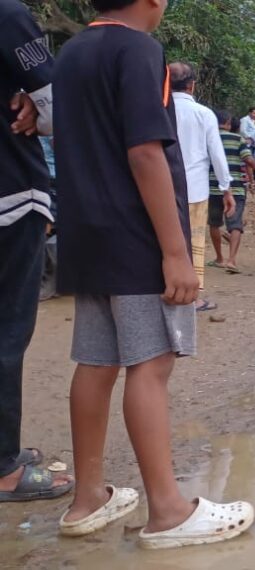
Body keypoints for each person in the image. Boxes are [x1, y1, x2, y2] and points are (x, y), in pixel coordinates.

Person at [54, 0, 254, 546]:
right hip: (134, 233)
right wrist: (175, 252)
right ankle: (168, 510)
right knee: (152, 361)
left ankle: (87, 498)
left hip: (86, 231)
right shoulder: (139, 50)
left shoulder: (71, 52)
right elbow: (144, 153)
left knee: (96, 360)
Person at [0, 0, 75, 504]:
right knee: (7, 329)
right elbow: (55, 107)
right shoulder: (7, 15)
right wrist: (38, 105)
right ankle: (4, 468)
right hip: (9, 194)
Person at [170, 62, 232, 312]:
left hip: (161, 188)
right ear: (192, 85)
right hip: (195, 189)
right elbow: (216, 154)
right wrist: (226, 188)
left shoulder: (156, 109)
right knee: (193, 241)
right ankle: (193, 297)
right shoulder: (204, 114)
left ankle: (166, 289)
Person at [209, 112, 255, 274]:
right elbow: (248, 159)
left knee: (214, 223)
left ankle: (219, 258)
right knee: (235, 224)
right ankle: (231, 260)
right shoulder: (237, 139)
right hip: (236, 187)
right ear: (227, 122)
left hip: (213, 187)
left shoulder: (208, 138)